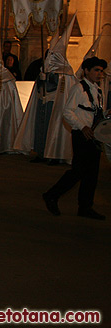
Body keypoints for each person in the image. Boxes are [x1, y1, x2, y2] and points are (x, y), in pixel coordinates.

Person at [42, 57, 109, 220]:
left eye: (101, 71)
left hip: (94, 136)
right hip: (82, 135)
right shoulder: (79, 88)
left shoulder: (98, 91)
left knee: (92, 174)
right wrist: (82, 126)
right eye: (96, 70)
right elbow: (67, 112)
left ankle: (85, 207)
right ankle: (52, 195)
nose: (99, 74)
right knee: (78, 171)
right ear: (86, 71)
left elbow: (95, 112)